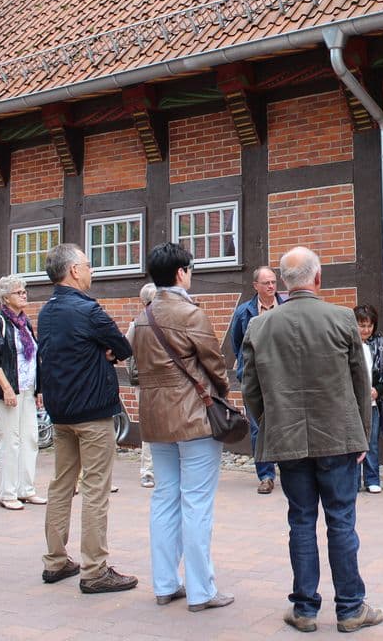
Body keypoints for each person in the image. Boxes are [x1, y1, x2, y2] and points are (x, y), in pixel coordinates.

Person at [242, 247, 383, 634]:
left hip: (287, 438)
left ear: (284, 283)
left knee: (300, 522)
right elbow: (361, 383)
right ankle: (351, 608)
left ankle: (304, 608)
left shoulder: (260, 325)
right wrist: (361, 437)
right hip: (338, 438)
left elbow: (250, 389)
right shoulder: (341, 319)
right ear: (317, 279)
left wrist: (271, 423)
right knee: (341, 522)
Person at [130, 243, 235, 612]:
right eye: (189, 268)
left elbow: (135, 371)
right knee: (196, 504)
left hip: (155, 419)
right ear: (180, 273)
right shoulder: (190, 313)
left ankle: (164, 584)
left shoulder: (142, 318)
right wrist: (221, 391)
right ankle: (202, 591)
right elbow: (216, 364)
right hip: (194, 417)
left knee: (163, 499)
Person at [37, 243, 137, 593]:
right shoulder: (88, 310)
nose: (92, 271)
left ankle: (55, 560)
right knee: (95, 488)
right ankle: (95, 569)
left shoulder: (46, 310)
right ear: (74, 270)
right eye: (89, 265)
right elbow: (123, 347)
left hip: (61, 411)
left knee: (61, 484)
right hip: (93, 413)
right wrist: (105, 351)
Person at [0, 274, 45, 511]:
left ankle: (26, 489)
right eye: (19, 292)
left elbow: (33, 360)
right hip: (9, 391)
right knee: (11, 441)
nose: (24, 295)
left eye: (24, 291)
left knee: (30, 439)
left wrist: (39, 389)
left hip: (28, 389)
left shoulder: (25, 323)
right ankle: (7, 492)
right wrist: (7, 388)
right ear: (6, 298)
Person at [227, 265, 284, 494]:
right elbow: (237, 344)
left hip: (282, 377)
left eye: (273, 282)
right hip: (254, 379)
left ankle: (289, 471)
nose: (271, 286)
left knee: (285, 425)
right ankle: (266, 475)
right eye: (266, 283)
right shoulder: (244, 312)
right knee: (258, 428)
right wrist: (246, 369)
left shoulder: (286, 307)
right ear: (256, 286)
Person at [352, 304, 383, 494]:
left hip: (373, 402)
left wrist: (378, 390)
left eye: (369, 325)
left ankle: (372, 479)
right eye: (362, 325)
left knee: (371, 442)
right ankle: (352, 482)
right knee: (353, 443)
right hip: (353, 402)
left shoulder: (381, 342)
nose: (366, 330)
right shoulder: (348, 343)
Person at [126, 282, 159, 488]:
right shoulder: (137, 324)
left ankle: (164, 468)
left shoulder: (168, 321)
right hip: (146, 381)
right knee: (149, 425)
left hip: (167, 382)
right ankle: (147, 470)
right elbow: (124, 348)